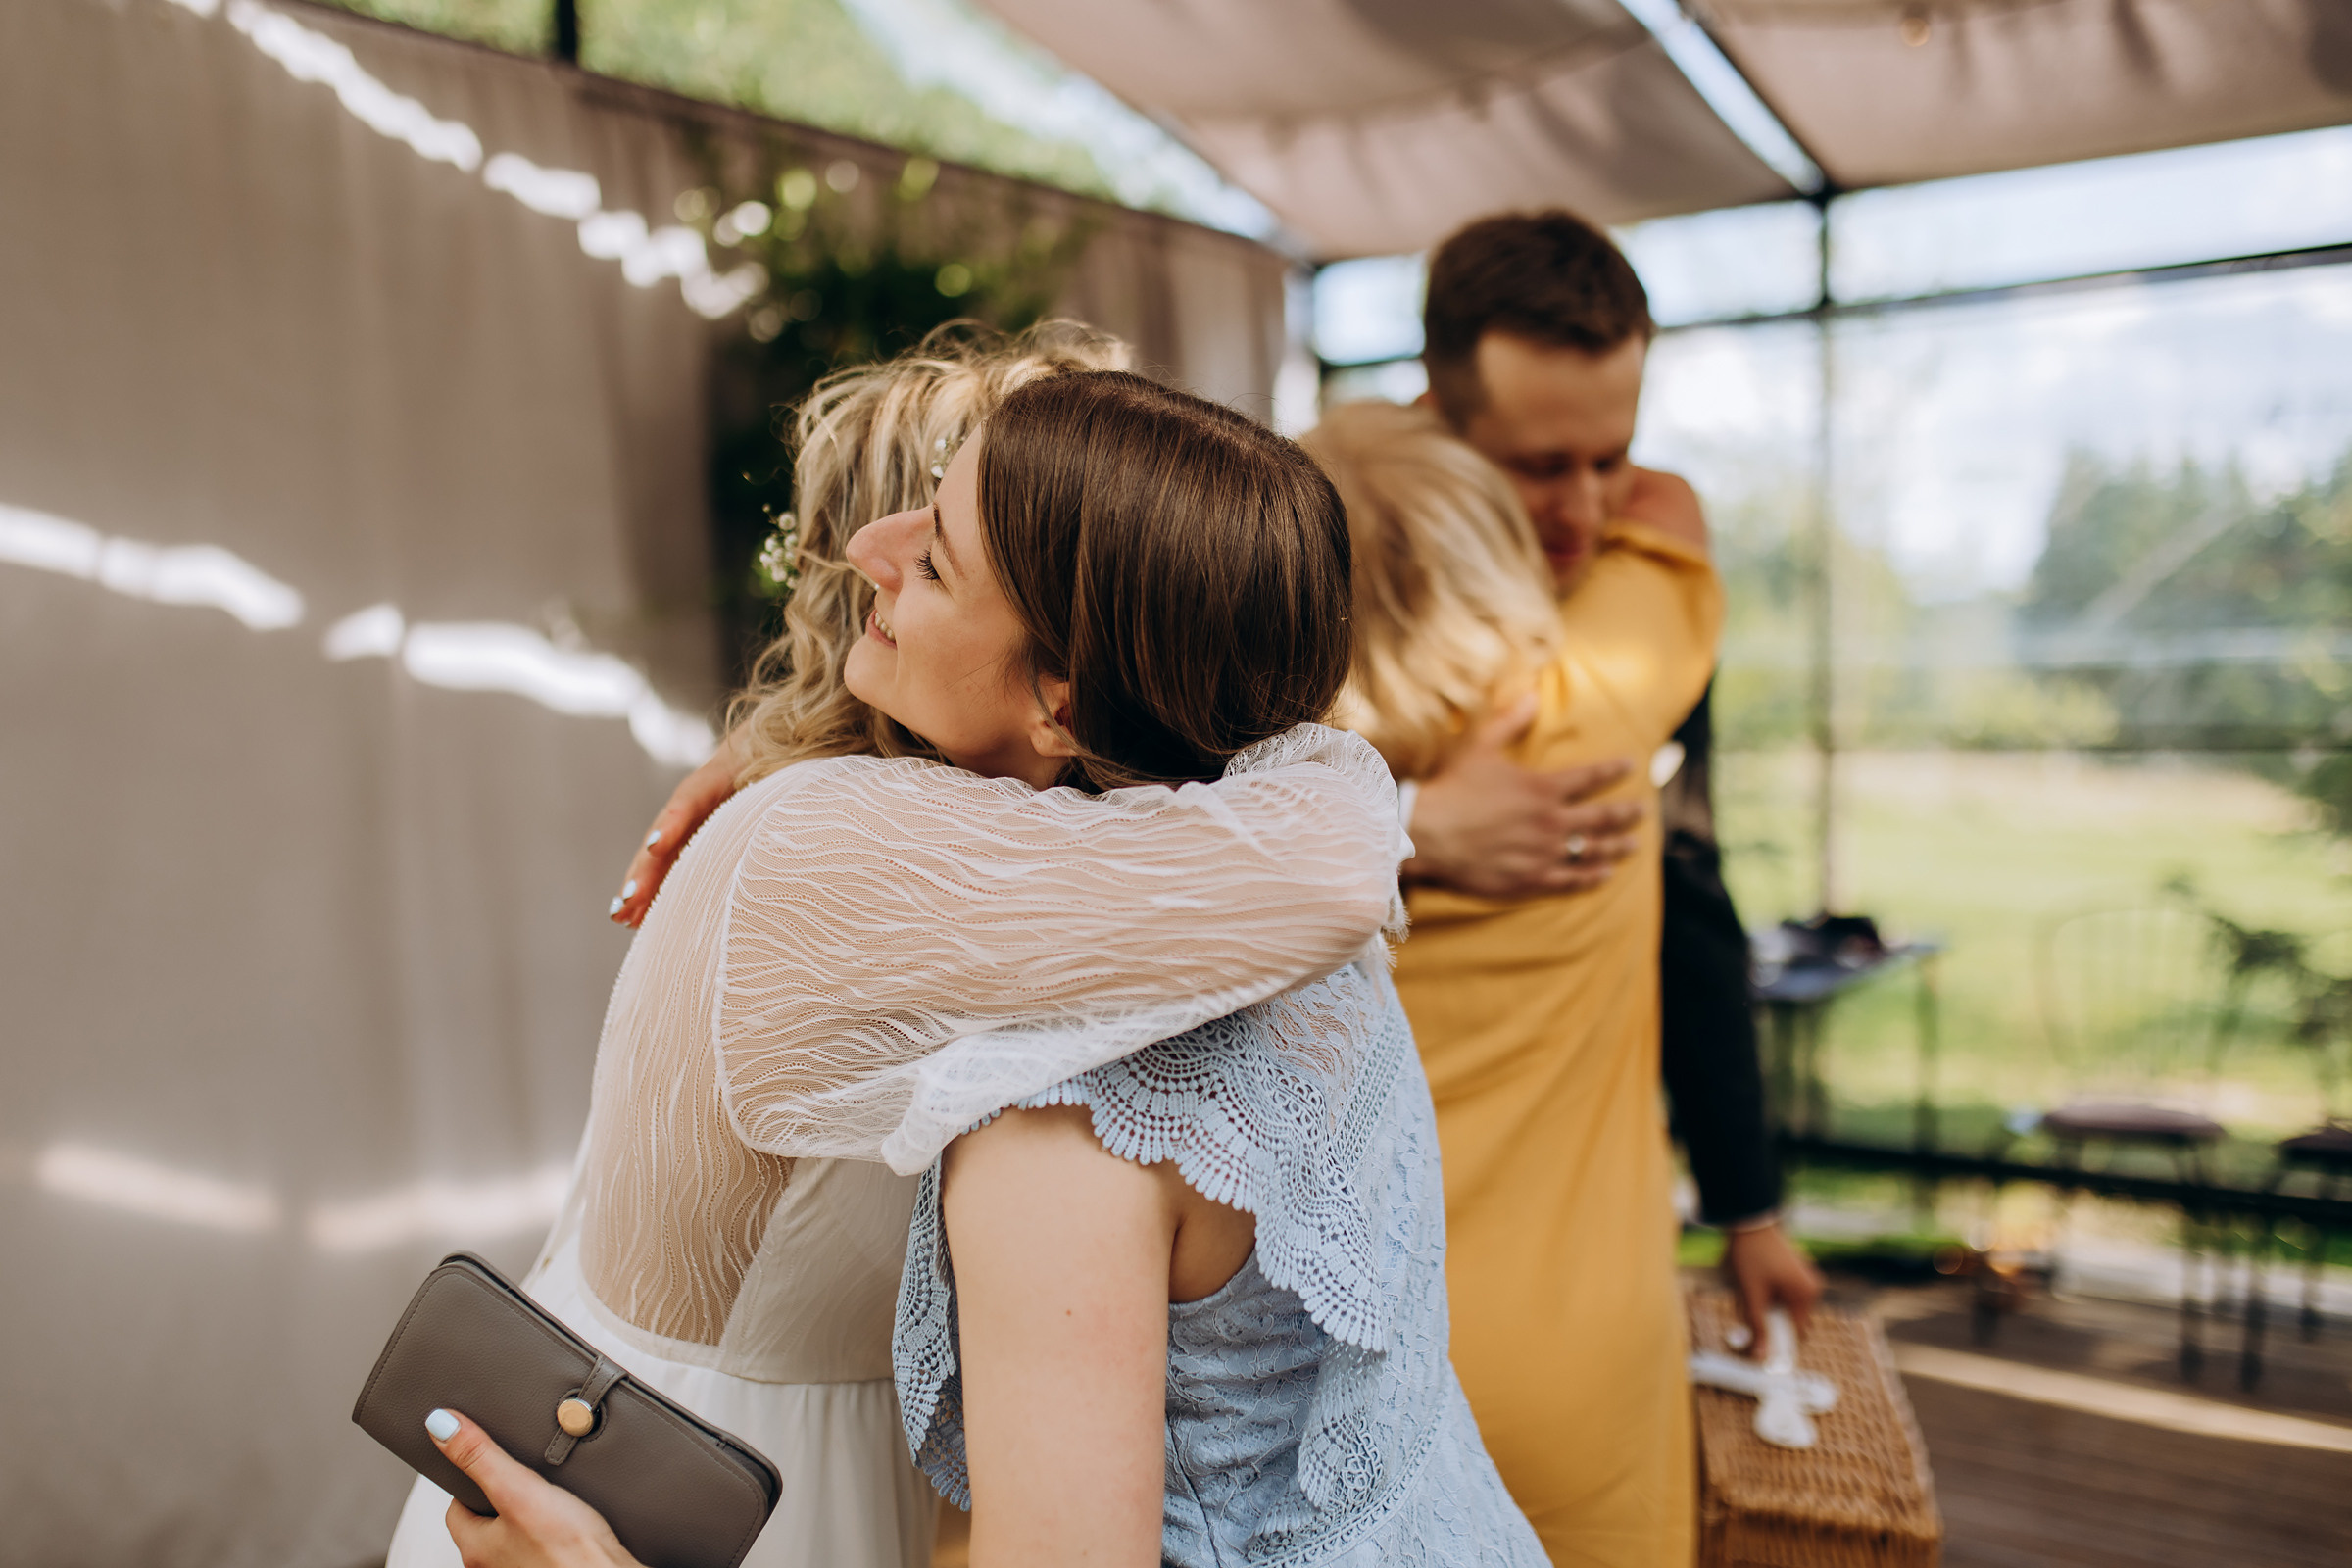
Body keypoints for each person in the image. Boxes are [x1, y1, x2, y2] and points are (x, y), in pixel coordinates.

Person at [400, 345, 1544, 1568]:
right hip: (656, 1486)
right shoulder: (1267, 956)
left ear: (1066, 695)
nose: (865, 556)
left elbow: (1327, 859)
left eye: (937, 555)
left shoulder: (1092, 1011)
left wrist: (778, 764)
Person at [1354, 210, 1817, 1566]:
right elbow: (1676, 520)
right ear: (1440, 420)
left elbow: (1688, 897)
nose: (1589, 510)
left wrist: (1746, 1195)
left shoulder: (1265, 706)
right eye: (1537, 468)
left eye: (1612, 456)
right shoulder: (1631, 643)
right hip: (1554, 1365)